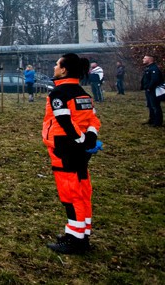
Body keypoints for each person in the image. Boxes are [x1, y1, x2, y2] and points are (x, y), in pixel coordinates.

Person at [42, 53, 102, 254]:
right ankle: (79, 233)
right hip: (81, 151)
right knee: (83, 191)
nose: (54, 67)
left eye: (57, 64)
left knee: (70, 194)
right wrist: (90, 139)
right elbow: (93, 121)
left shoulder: (58, 93)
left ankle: (75, 242)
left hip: (65, 149)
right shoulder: (83, 94)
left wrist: (81, 141)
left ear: (64, 70)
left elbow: (65, 122)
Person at [141, 55, 163, 127]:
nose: (143, 59)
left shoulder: (154, 68)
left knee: (155, 106)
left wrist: (149, 87)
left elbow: (155, 80)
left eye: (145, 58)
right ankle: (152, 120)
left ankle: (158, 122)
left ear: (150, 59)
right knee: (150, 105)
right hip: (149, 90)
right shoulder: (148, 68)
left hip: (154, 90)